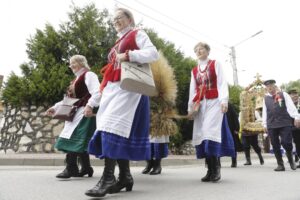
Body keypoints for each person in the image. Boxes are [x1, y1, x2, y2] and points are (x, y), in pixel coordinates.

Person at [85, 8, 159, 198]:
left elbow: (152, 54)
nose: (116, 21)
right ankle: (125, 176)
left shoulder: (138, 33)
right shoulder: (117, 42)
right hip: (113, 89)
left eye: (119, 17)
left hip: (129, 89)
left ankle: (108, 177)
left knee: (111, 128)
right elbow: (109, 74)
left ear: (129, 19)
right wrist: (94, 100)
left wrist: (128, 55)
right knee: (111, 128)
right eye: (114, 19)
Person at [45, 55, 100, 178]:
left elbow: (97, 92)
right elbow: (70, 100)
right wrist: (55, 107)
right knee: (77, 139)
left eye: (73, 63)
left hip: (84, 111)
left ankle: (71, 168)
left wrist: (90, 105)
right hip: (76, 112)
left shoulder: (89, 75)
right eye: (70, 64)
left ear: (81, 63)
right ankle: (86, 168)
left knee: (73, 138)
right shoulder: (76, 80)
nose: (71, 66)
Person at [187, 42, 235, 182]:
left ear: (208, 51)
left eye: (201, 49)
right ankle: (210, 169)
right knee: (202, 135)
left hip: (214, 102)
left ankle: (216, 168)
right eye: (196, 49)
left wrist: (223, 101)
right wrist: (191, 108)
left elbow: (221, 82)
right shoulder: (194, 70)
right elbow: (193, 89)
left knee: (210, 133)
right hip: (201, 104)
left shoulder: (215, 64)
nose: (199, 51)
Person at [262, 79, 300, 171]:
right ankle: (280, 164)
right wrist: (264, 124)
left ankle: (291, 160)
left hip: (284, 123)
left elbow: (291, 107)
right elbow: (265, 112)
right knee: (275, 144)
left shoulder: (283, 95)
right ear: (266, 88)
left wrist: (296, 117)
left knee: (287, 142)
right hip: (271, 124)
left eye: (271, 85)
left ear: (275, 86)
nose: (270, 87)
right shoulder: (265, 98)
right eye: (268, 86)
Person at [226, 103, 243, 167]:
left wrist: (236, 128)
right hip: (221, 129)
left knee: (233, 146)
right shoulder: (217, 105)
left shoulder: (229, 105)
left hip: (231, 129)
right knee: (220, 145)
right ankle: (218, 163)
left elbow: (235, 117)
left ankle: (234, 161)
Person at [288, 88, 300, 167]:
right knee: (298, 144)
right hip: (294, 128)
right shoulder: (288, 105)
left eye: (296, 94)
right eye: (292, 94)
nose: (295, 96)